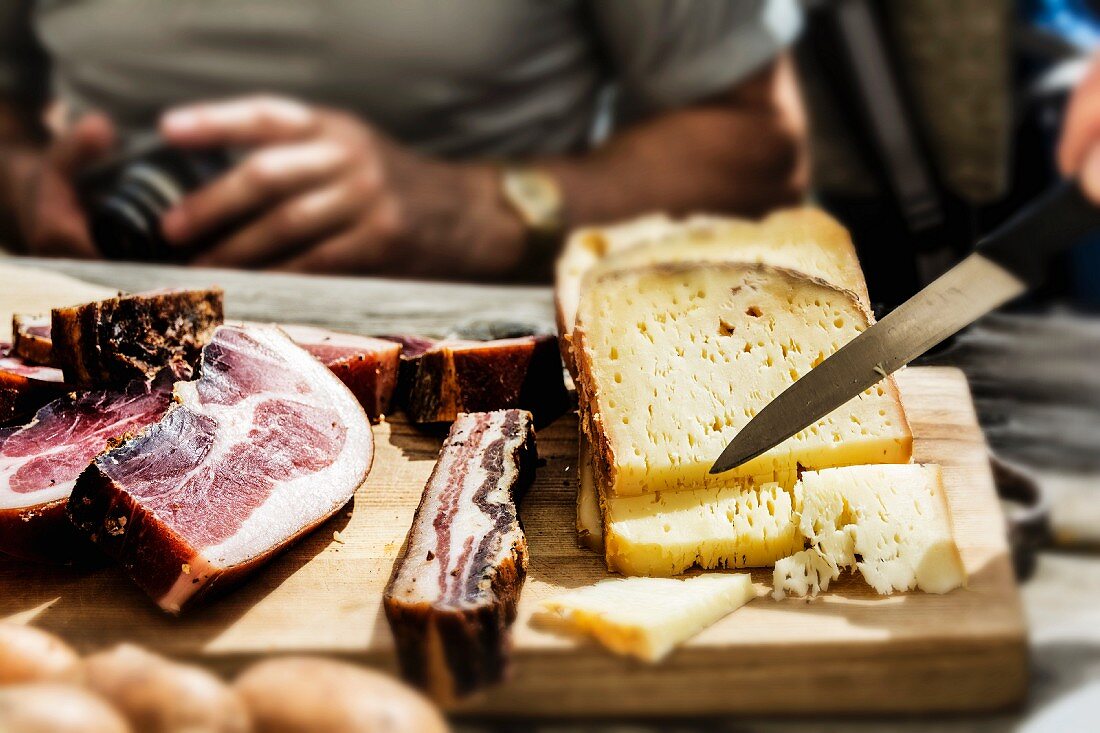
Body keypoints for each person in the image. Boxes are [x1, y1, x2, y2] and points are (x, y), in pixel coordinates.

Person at [0, 1, 808, 280]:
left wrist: (478, 210)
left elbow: (755, 142)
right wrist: (24, 177)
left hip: (465, 356)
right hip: (81, 337)